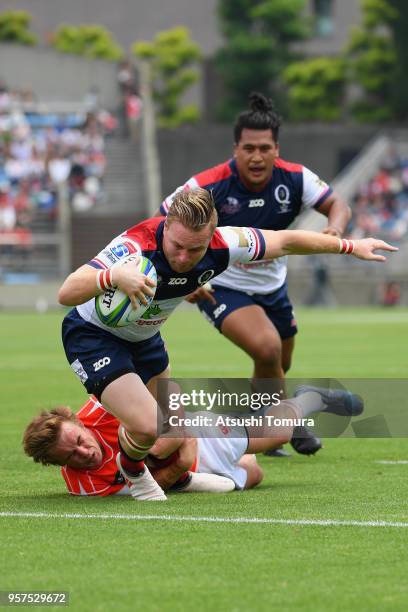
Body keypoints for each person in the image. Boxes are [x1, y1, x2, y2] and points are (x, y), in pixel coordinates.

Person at [57, 187, 396, 502]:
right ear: (167, 225)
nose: (184, 257)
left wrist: (351, 246)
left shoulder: (225, 244)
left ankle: (187, 474)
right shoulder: (134, 246)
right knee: (148, 427)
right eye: (177, 245)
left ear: (211, 237)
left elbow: (285, 241)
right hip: (94, 336)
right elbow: (67, 291)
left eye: (196, 249)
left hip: (145, 340)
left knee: (172, 434)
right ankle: (133, 470)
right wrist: (113, 276)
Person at [160, 92, 352, 457]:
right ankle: (290, 424)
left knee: (277, 363)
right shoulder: (210, 184)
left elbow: (337, 205)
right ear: (236, 149)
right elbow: (162, 221)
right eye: (249, 148)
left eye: (265, 148)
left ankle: (270, 417)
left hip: (274, 288)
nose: (257, 156)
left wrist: (335, 230)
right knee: (267, 348)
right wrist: (182, 278)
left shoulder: (295, 179)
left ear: (276, 149)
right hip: (222, 287)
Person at [23, 384, 364, 495]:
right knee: (255, 474)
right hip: (193, 473)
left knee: (277, 432)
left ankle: (309, 399)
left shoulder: (103, 406)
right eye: (72, 456)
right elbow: (148, 486)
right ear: (59, 465)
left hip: (203, 437)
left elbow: (170, 392)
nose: (86, 452)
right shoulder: (83, 486)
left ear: (76, 421)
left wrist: (178, 439)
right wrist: (176, 471)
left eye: (80, 440)